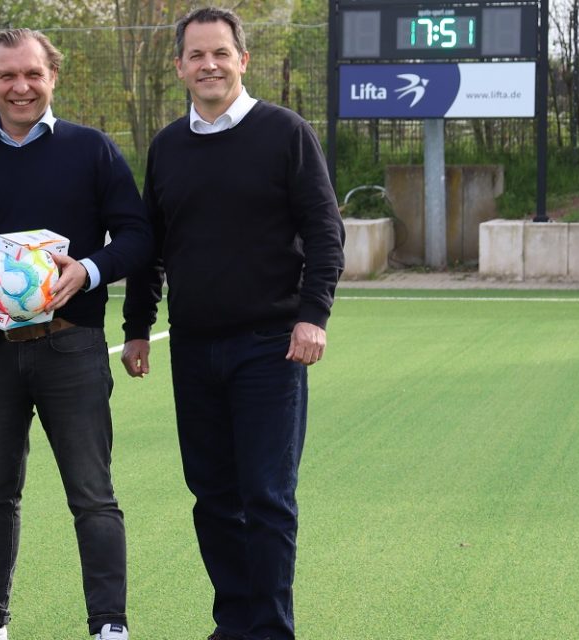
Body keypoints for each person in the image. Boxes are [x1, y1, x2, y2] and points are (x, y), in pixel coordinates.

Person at [120, 8, 345, 640]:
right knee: (213, 497)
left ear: (242, 60)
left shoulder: (285, 133)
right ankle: (233, 624)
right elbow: (151, 245)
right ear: (180, 67)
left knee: (266, 499)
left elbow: (326, 233)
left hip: (272, 347)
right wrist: (139, 327)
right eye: (196, 55)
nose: (209, 65)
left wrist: (313, 316)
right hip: (194, 349)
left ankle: (270, 630)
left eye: (220, 53)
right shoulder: (166, 146)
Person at [0, 28, 152, 640]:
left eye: (32, 74)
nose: (20, 86)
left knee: (92, 494)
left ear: (53, 76)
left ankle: (109, 624)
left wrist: (90, 268)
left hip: (72, 346)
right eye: (6, 76)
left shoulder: (92, 151)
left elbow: (137, 235)